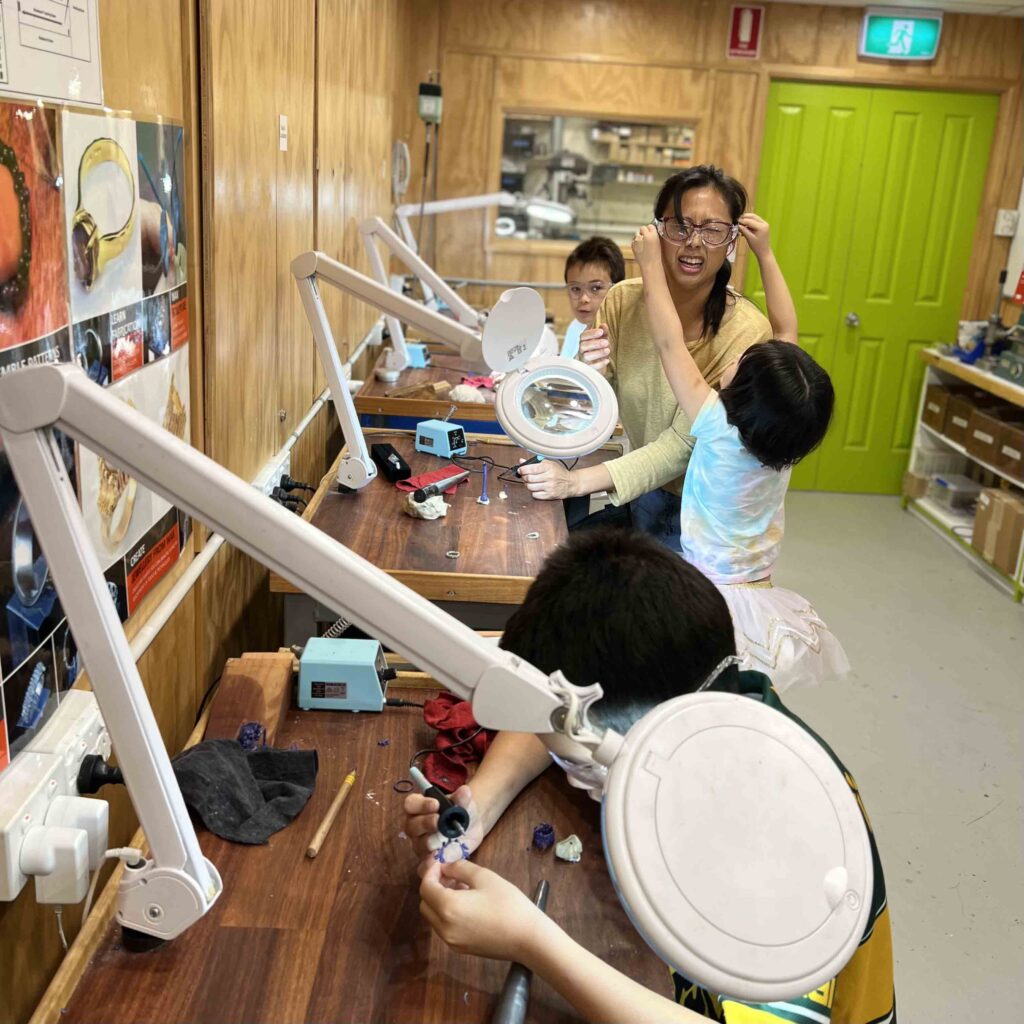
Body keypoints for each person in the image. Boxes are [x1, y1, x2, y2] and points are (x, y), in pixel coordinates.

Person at [407, 529, 895, 1022]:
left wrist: (532, 941)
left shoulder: (782, 840)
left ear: (642, 737)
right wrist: (479, 807)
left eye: (580, 762)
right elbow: (555, 718)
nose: (574, 771)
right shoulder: (716, 698)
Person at [630, 218, 848, 690]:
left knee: (686, 680)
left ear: (743, 389)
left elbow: (669, 342)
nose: (736, 357)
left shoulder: (715, 424)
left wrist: (650, 266)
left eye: (740, 363)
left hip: (703, 590)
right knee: (734, 685)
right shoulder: (783, 436)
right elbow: (786, 328)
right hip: (759, 590)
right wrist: (766, 255)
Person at [519, 166, 772, 553]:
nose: (694, 242)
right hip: (643, 496)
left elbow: (682, 446)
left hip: (706, 520)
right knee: (544, 557)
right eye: (680, 226)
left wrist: (575, 483)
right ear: (655, 232)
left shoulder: (745, 331)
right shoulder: (621, 301)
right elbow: (571, 408)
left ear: (732, 240)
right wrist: (585, 371)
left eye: (712, 229)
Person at [563, 236, 626, 329]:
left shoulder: (626, 333)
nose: (583, 299)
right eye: (576, 288)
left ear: (617, 289)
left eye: (595, 288)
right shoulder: (574, 328)